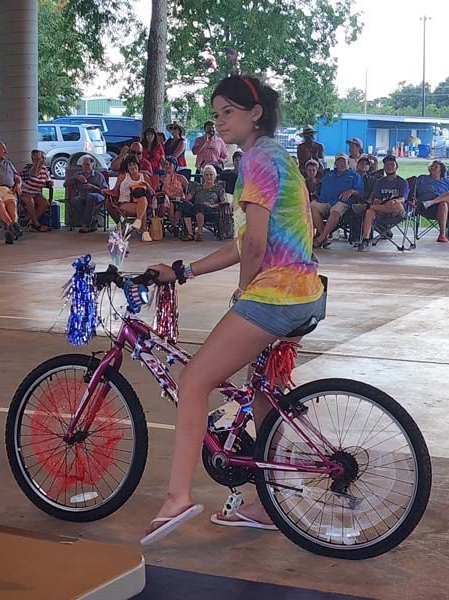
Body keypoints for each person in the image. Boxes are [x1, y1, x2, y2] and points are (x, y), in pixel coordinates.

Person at [141, 75, 323, 544]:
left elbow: (257, 246)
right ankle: (273, 498)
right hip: (306, 290)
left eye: (228, 112)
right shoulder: (278, 155)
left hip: (275, 295)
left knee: (194, 380)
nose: (219, 122)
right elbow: (243, 243)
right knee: (263, 392)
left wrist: (243, 294)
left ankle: (178, 496)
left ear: (254, 113)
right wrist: (185, 270)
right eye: (216, 113)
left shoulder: (257, 161)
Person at [357, 155, 409, 252]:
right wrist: (378, 204)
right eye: (387, 165)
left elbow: (403, 199)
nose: (389, 166)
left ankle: (368, 206)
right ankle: (365, 240)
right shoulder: (379, 182)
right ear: (384, 167)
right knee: (369, 212)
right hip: (381, 210)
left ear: (396, 166)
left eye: (391, 164)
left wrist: (394, 201)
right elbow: (376, 199)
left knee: (395, 204)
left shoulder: (402, 182)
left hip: (397, 211)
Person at [311, 152, 363, 248]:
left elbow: (360, 191)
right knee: (313, 207)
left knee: (335, 212)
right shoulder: (328, 175)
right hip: (325, 201)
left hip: (342, 202)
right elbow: (318, 187)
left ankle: (319, 239)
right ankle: (324, 239)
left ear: (348, 163)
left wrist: (351, 191)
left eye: (344, 161)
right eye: (339, 161)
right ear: (335, 163)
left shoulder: (354, 176)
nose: (342, 164)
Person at [106, 155, 154, 242]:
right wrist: (107, 191)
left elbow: (152, 193)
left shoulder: (144, 177)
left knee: (143, 200)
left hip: (142, 202)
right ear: (127, 167)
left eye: (134, 164)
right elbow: (114, 190)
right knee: (142, 209)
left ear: (138, 165)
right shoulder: (123, 176)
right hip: (126, 203)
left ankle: (138, 221)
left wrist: (148, 186)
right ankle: (144, 231)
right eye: (130, 165)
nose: (132, 167)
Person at [415, 160, 449, 243]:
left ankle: (431, 202)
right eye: (432, 166)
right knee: (443, 204)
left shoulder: (447, 182)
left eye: (435, 166)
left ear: (441, 170)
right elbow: (413, 192)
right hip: (424, 207)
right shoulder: (422, 178)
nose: (432, 167)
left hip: (442, 208)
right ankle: (442, 235)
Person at [183, 164, 227, 241]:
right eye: (206, 175)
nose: (209, 177)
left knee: (200, 205)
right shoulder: (198, 187)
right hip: (196, 209)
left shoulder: (218, 188)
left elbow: (224, 202)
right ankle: (190, 234)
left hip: (211, 210)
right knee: (186, 205)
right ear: (203, 176)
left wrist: (213, 205)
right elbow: (187, 199)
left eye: (211, 174)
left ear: (215, 176)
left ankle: (200, 234)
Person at [70, 155, 108, 233]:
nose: (85, 166)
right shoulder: (79, 174)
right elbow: (65, 184)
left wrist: (93, 187)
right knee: (76, 200)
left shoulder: (98, 176)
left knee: (91, 196)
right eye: (83, 164)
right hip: (83, 196)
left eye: (87, 164)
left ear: (92, 165)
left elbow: (105, 190)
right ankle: (93, 221)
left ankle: (86, 225)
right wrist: (75, 178)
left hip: (97, 196)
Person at [20, 149, 54, 232]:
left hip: (36, 193)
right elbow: (33, 174)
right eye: (40, 158)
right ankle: (37, 225)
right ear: (33, 159)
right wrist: (37, 162)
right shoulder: (28, 167)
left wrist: (50, 182)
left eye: (43, 158)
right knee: (29, 201)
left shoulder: (44, 169)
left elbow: (47, 180)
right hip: (24, 192)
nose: (43, 160)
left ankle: (29, 221)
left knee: (45, 203)